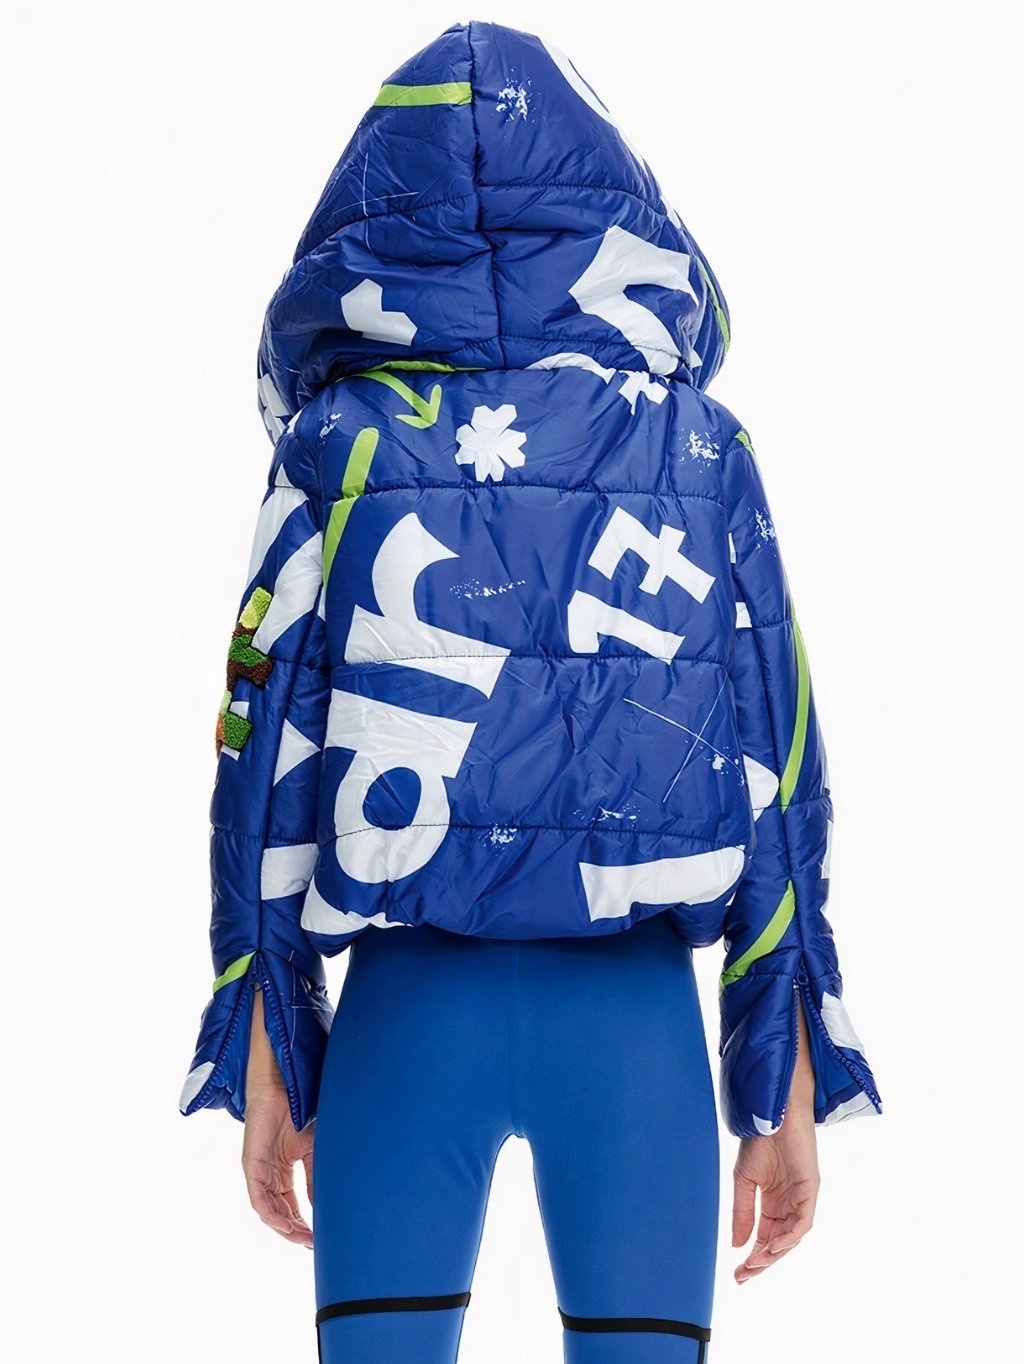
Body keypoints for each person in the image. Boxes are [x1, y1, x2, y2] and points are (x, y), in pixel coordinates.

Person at [179, 20, 883, 1363]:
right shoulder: (696, 448)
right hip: (631, 1033)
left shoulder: (336, 445)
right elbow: (777, 758)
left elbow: (259, 752)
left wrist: (265, 1027)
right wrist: (781, 1057)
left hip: (405, 1022)